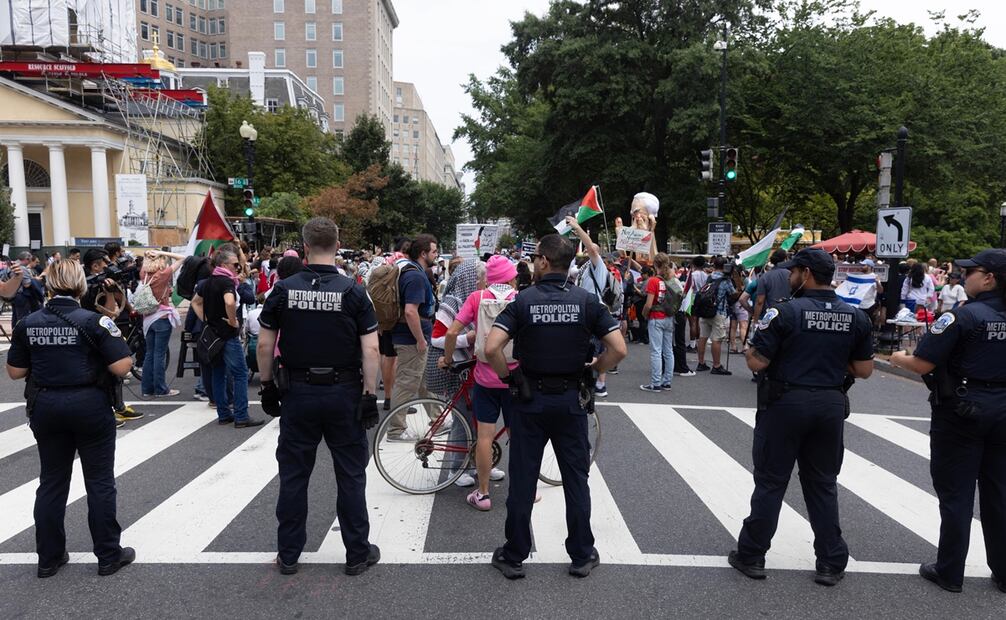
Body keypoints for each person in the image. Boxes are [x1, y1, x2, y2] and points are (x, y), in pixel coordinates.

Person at [484, 234, 627, 580]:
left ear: (545, 261)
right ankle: (581, 554)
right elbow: (619, 349)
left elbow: (491, 348)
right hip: (571, 400)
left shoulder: (523, 300)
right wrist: (596, 368)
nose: (533, 263)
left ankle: (514, 554)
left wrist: (509, 378)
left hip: (529, 400)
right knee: (576, 480)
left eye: (536, 258)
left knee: (523, 481)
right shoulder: (586, 301)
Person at [728, 248, 874, 586]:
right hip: (830, 404)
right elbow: (865, 370)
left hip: (786, 403)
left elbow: (757, 361)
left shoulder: (784, 312)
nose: (790, 276)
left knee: (771, 481)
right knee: (822, 484)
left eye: (794, 271)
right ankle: (830, 562)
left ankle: (752, 555)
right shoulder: (855, 317)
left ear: (806, 273)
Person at [256, 217, 382, 577]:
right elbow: (371, 349)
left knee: (294, 474)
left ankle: (289, 553)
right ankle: (357, 553)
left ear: (305, 246)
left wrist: (267, 386)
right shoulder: (354, 291)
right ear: (337, 244)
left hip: (298, 391)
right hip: (344, 391)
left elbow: (264, 344)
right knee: (351, 474)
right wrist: (369, 394)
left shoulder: (283, 290)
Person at [5, 259, 136, 578]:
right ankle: (108, 555)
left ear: (49, 284)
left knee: (51, 481)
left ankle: (48, 558)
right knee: (99, 481)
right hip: (90, 404)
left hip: (46, 405)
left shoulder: (28, 323)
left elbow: (15, 372)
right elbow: (122, 367)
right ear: (80, 284)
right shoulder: (95, 321)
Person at [890, 249, 1006, 594]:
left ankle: (950, 571)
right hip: (1003, 409)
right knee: (999, 494)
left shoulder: (963, 316)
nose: (963, 277)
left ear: (989, 278)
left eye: (971, 272)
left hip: (963, 411)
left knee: (956, 494)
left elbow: (922, 364)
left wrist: (898, 358)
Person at [441, 255, 518, 509]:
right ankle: (524, 491)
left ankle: (483, 494)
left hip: (484, 378)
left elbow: (452, 331)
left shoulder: (477, 297)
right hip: (513, 378)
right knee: (518, 435)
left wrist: (448, 359)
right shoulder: (520, 299)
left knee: (484, 436)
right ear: (511, 277)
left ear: (489, 278)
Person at [191, 249, 264, 428]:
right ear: (224, 265)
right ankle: (241, 415)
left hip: (213, 334)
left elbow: (195, 302)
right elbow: (229, 301)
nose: (238, 268)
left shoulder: (208, 282)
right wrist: (232, 321)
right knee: (240, 373)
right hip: (227, 334)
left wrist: (207, 320)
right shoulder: (226, 282)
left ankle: (223, 414)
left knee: (218, 373)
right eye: (235, 265)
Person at [387, 234, 439, 441]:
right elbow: (410, 311)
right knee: (407, 383)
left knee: (424, 379)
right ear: (423, 253)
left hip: (413, 336)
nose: (436, 255)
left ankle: (438, 419)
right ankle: (396, 429)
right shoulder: (415, 276)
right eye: (434, 251)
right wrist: (420, 339)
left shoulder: (413, 272)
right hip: (411, 339)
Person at [80, 249, 142, 426]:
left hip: (101, 331)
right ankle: (105, 411)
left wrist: (111, 289)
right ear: (95, 266)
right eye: (105, 263)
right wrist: (108, 292)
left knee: (114, 374)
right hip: (93, 333)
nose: (109, 266)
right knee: (101, 375)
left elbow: (113, 308)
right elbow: (109, 312)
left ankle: (118, 406)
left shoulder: (100, 282)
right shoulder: (85, 285)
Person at [567, 216, 616, 397]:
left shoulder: (598, 265)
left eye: (590, 248)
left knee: (593, 350)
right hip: (583, 311)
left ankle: (596, 383)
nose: (588, 249)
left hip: (592, 311)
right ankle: (595, 382)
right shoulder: (584, 267)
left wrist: (578, 228)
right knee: (591, 349)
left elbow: (591, 248)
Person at [139, 250, 185, 397]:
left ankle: (147, 389)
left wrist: (148, 255)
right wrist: (161, 252)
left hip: (147, 319)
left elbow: (145, 263)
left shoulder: (143, 274)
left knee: (149, 354)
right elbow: (182, 258)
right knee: (160, 354)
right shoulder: (163, 274)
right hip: (162, 316)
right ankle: (161, 389)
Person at [640, 253, 682, 392]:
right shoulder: (672, 280)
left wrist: (644, 314)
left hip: (656, 317)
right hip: (669, 317)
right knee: (668, 351)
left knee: (656, 352)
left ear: (655, 264)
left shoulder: (653, 281)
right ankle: (667, 382)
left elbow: (648, 304)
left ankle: (655, 383)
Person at [695, 256, 736, 375]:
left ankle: (701, 363)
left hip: (705, 311)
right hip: (718, 312)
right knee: (717, 339)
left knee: (703, 337)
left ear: (714, 265)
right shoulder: (726, 280)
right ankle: (716, 365)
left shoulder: (709, 277)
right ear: (725, 266)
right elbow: (733, 294)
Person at [751, 250, 790, 322]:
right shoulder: (791, 275)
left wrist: (755, 321)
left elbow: (760, 301)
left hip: (770, 317)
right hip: (788, 315)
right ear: (785, 259)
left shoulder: (765, 277)